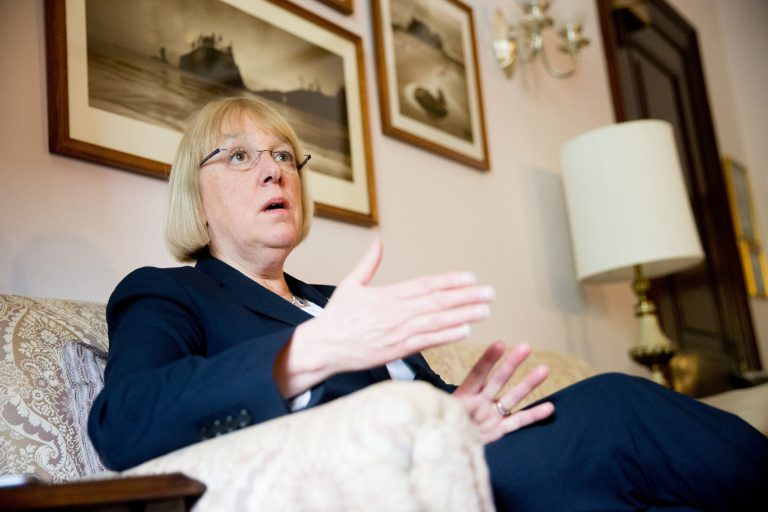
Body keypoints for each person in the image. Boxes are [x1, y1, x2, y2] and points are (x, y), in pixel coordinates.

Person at [88, 97, 768, 511]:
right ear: (194, 196)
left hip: (476, 471)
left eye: (285, 156)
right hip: (379, 494)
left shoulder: (338, 300)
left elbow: (433, 407)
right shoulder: (167, 293)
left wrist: (462, 407)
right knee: (614, 402)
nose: (273, 169)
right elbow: (124, 423)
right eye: (238, 156)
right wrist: (310, 352)